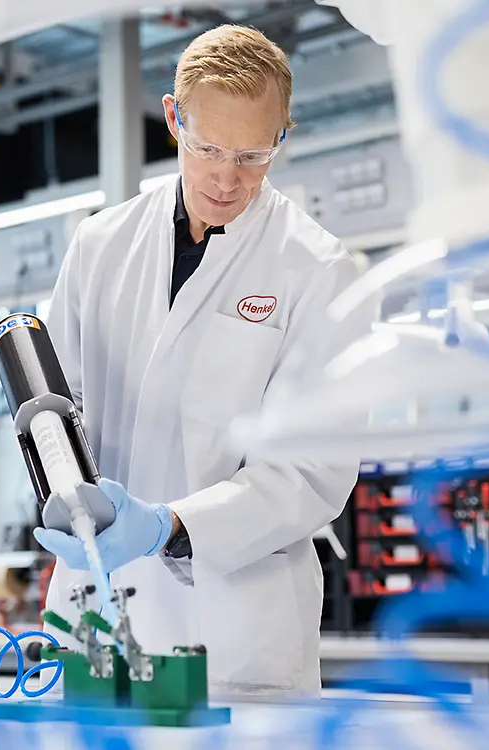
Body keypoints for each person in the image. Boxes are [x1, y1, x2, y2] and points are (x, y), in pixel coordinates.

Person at [33, 24, 373, 697]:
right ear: (172, 118)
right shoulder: (100, 244)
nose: (227, 176)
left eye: (253, 154)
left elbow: (310, 472)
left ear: (283, 136)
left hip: (236, 632)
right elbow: (54, 403)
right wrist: (58, 494)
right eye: (208, 146)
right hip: (97, 607)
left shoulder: (320, 270)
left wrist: (171, 526)